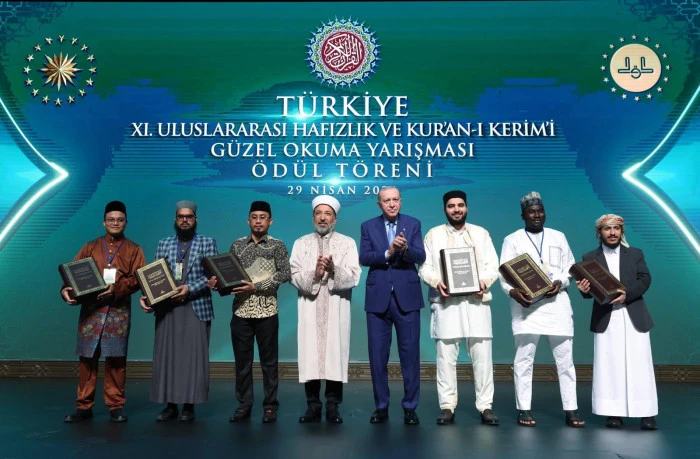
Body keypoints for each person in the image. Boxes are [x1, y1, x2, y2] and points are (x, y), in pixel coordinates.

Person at [498, 191, 585, 428]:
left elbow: (570, 268)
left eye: (540, 211)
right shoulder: (512, 239)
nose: (536, 215)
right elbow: (504, 273)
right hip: (527, 308)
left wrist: (560, 282)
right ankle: (523, 408)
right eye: (531, 212)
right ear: (523, 216)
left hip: (557, 306)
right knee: (524, 360)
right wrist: (513, 292)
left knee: (566, 361)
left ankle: (571, 409)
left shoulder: (559, 236)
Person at [418, 190, 500, 426]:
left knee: (483, 358)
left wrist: (483, 282)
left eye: (460, 205)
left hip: (477, 302)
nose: (456, 209)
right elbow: (424, 267)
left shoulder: (481, 233)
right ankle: (447, 406)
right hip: (446, 304)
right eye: (451, 206)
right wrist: (437, 282)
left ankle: (485, 406)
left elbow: (493, 265)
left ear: (466, 207)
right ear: (445, 209)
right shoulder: (434, 235)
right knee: (445, 358)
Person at [60, 200, 145, 423]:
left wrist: (116, 288)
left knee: (116, 360)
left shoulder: (134, 249)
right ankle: (83, 406)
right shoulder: (90, 246)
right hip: (91, 311)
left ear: (126, 223)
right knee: (87, 360)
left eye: (119, 220)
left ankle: (116, 406)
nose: (115, 223)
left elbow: (138, 279)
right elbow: (73, 273)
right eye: (111, 219)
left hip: (118, 312)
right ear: (104, 222)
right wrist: (65, 290)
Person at [575, 214, 658, 430]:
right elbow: (589, 291)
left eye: (616, 228)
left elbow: (645, 279)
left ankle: (646, 413)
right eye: (607, 229)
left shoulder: (635, 253)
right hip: (606, 317)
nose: (612, 233)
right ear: (599, 233)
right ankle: (613, 413)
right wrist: (584, 290)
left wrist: (627, 294)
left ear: (622, 231)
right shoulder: (589, 258)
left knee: (640, 364)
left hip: (634, 314)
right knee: (609, 365)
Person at [139, 200, 218, 422]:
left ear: (195, 220)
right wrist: (147, 297)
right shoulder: (163, 243)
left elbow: (212, 276)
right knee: (169, 356)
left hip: (195, 306)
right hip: (168, 308)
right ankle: (171, 405)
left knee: (192, 358)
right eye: (181, 216)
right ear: (175, 220)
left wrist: (189, 288)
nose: (185, 220)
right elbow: (155, 276)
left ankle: (189, 406)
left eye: (189, 217)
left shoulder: (207, 242)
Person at [215, 201, 291, 424]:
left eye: (263, 217)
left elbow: (285, 273)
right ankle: (244, 405)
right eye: (254, 217)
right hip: (241, 312)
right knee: (242, 363)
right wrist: (217, 284)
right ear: (248, 220)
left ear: (270, 221)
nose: (258, 221)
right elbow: (229, 276)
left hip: (267, 311)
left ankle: (270, 406)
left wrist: (256, 286)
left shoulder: (277, 245)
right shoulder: (237, 245)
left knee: (269, 363)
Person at [290, 195, 362, 424]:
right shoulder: (301, 243)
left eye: (327, 213)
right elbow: (293, 274)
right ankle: (312, 405)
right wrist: (315, 274)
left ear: (335, 219)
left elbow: (354, 276)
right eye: (319, 213)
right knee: (310, 353)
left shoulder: (347, 243)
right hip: (309, 306)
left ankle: (333, 406)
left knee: (335, 354)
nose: (323, 217)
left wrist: (333, 270)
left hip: (336, 305)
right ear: (313, 217)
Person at [359, 186, 426, 425]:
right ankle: (381, 407)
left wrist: (405, 249)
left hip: (407, 297)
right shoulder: (368, 226)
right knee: (377, 357)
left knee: (410, 356)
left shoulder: (413, 224)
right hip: (378, 299)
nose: (392, 204)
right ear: (379, 204)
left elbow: (421, 256)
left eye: (395, 199)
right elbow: (364, 257)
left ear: (401, 201)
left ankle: (410, 407)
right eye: (386, 200)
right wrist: (388, 252)